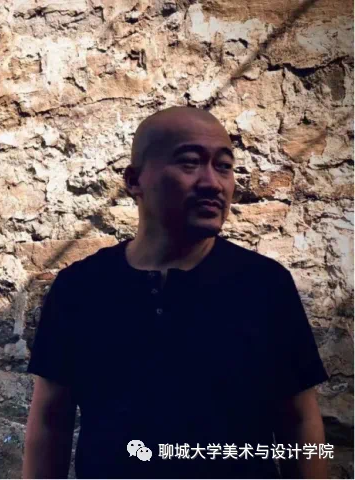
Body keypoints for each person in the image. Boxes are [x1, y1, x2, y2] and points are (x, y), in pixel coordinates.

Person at [22, 106, 330, 479]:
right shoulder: (80, 289)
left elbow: (299, 421)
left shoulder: (265, 286)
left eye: (224, 166)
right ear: (134, 180)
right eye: (189, 163)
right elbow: (50, 420)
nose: (213, 183)